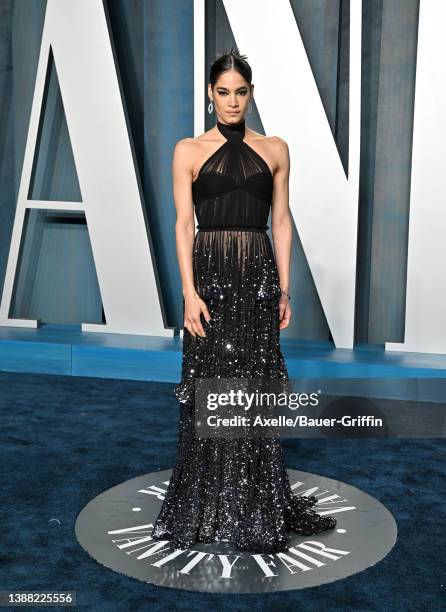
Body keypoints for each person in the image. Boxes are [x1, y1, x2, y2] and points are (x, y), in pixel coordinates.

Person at [151, 47, 336, 553]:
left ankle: (253, 503)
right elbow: (182, 225)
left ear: (251, 94)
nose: (232, 101)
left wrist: (283, 285)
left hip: (256, 280)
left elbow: (280, 221)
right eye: (223, 92)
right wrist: (188, 293)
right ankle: (207, 503)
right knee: (211, 384)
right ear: (211, 95)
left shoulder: (275, 148)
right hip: (209, 279)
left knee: (253, 388)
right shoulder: (187, 150)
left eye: (241, 91)